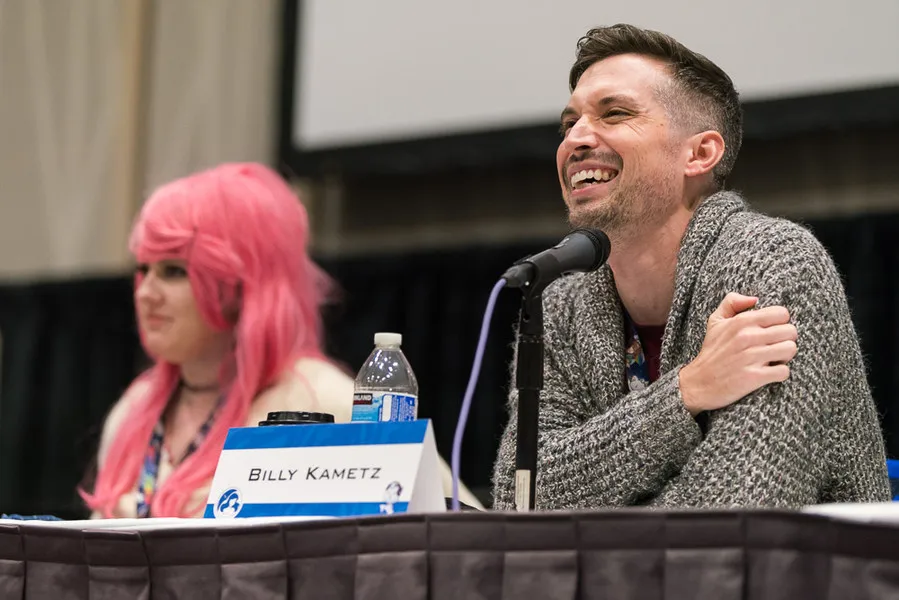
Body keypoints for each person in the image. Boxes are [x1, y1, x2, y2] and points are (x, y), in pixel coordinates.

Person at [491, 24, 890, 510]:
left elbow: (737, 509)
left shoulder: (775, 263)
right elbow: (519, 495)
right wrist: (685, 393)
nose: (575, 138)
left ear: (700, 154)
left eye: (614, 113)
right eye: (569, 123)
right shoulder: (560, 304)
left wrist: (589, 510)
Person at [82, 162, 481, 519]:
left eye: (173, 271)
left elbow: (465, 529)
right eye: (142, 269)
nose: (146, 293)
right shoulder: (134, 411)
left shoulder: (324, 400)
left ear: (241, 282)